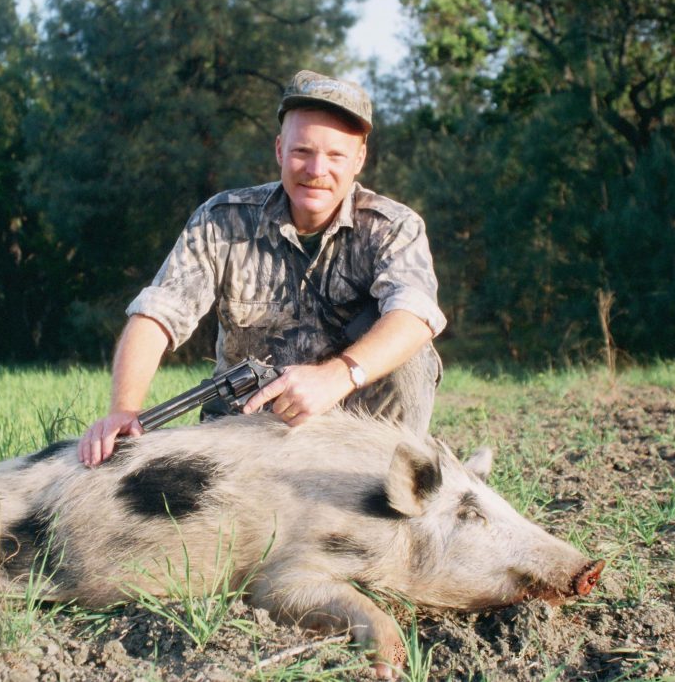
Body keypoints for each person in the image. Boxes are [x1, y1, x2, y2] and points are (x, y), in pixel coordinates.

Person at [78, 70, 446, 467]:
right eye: (302, 151)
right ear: (278, 151)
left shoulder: (394, 227)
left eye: (336, 155)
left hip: (355, 432)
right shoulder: (221, 219)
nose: (317, 169)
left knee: (413, 354)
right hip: (246, 428)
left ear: (359, 158)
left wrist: (336, 377)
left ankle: (394, 483)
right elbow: (157, 314)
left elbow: (416, 316)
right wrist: (123, 409)